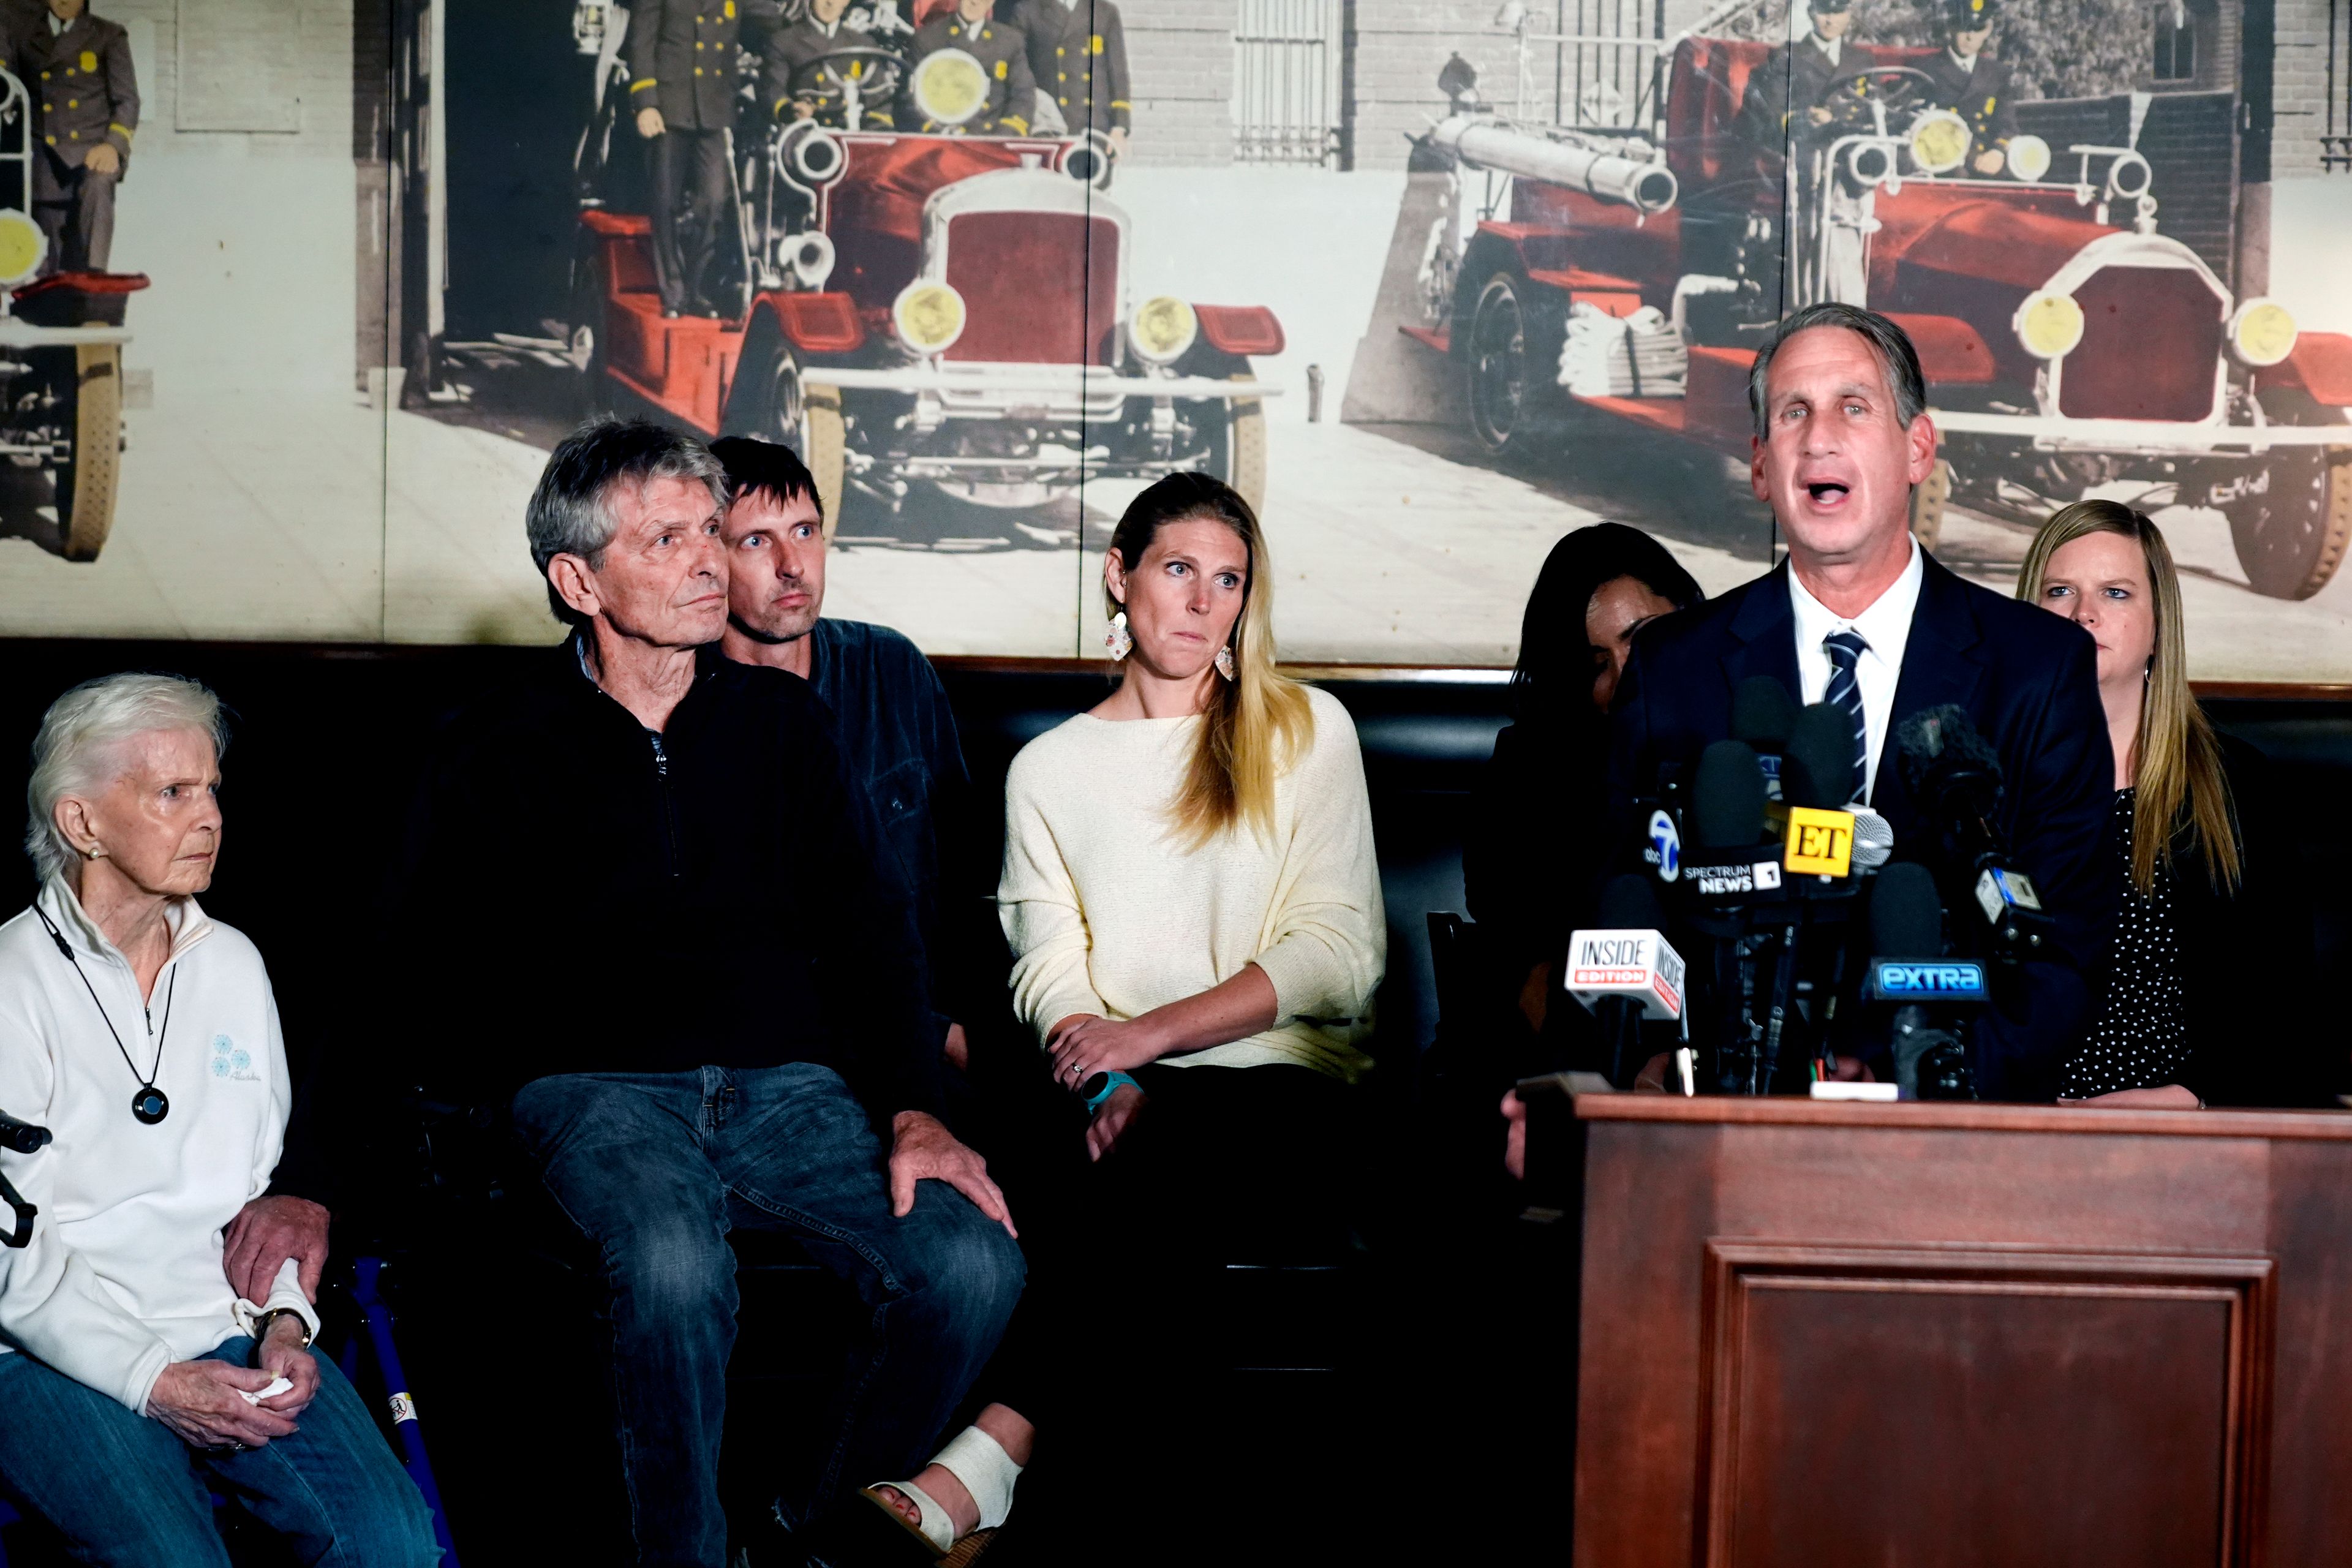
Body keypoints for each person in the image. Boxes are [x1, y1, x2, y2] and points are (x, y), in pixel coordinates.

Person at [396, 420, 1025, 1567]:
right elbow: (411, 969)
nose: (709, 563)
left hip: (792, 1090)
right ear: (577, 579)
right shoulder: (492, 746)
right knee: (677, 1266)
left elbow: (874, 938)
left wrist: (917, 1107)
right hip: (595, 1093)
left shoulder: (787, 725)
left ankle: (807, 1541)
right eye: (670, 537)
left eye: (707, 534)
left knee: (971, 1260)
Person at [835, 472, 1386, 1561]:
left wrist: (1149, 1044)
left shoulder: (1305, 730)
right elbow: (1050, 979)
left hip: (1287, 1089)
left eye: (1230, 581)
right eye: (1179, 570)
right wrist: (1113, 1076)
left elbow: (1339, 957)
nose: (1204, 603)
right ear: (1119, 577)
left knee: (1153, 1159)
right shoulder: (1049, 770)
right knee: (1127, 1177)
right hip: (1108, 1097)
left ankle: (991, 1455)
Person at [1605, 302, 2113, 1100]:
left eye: (1854, 407)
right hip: (1721, 1124)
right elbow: (1627, 905)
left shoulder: (2037, 669)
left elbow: (2066, 948)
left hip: (1947, 1138)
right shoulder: (1674, 668)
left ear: (1918, 449)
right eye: (1793, 413)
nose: (1818, 437)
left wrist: (1914, 1083)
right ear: (1761, 464)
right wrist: (1660, 1067)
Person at [0, 674, 437, 1567]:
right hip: (43, 1348)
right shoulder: (11, 983)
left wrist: (285, 1324)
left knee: (389, 1543)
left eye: (211, 790)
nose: (209, 817)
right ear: (82, 823)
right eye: (172, 793)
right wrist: (152, 1380)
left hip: (224, 1329)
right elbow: (10, 1253)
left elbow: (257, 1196)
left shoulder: (232, 965)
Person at [2018, 501, 2327, 1108]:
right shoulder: (1976, 785)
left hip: (2184, 1137)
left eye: (2115, 593)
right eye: (2060, 591)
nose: (2084, 614)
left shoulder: (2236, 787)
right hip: (2012, 1135)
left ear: (2159, 624)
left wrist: (2173, 1102)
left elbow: (2281, 1014)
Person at [711, 435, 983, 1074]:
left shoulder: (890, 666)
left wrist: (978, 1034)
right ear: (708, 559)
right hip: (785, 1056)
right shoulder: (687, 705)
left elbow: (967, 881)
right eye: (756, 541)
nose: (792, 564)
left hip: (930, 1047)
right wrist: (930, 1033)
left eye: (804, 530)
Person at [1465, 524, 1702, 1041]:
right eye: (1597, 666)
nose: (1627, 677)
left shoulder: (1744, 752)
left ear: (1687, 613)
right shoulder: (1530, 776)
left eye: (1643, 639)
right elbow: (1535, 982)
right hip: (1590, 1062)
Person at [625, 0, 743, 317]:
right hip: (668, 105)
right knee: (666, 202)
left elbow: (772, 20)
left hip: (714, 108)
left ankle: (697, 288)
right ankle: (674, 293)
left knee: (714, 201)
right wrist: (646, 101)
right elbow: (642, 40)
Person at [14, 0, 138, 274]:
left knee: (97, 190)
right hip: (44, 159)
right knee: (47, 264)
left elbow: (127, 101)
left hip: (91, 153)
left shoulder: (108, 35)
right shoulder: (24, 35)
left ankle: (95, 289)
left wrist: (113, 145)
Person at [1005, 0, 1130, 153]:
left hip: (1095, 128)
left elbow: (1118, 72)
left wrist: (1119, 128)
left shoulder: (1105, 11)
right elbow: (1016, 71)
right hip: (1048, 127)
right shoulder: (1027, 10)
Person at [1735, 0, 1854, 154]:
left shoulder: (1862, 59)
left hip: (1854, 144)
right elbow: (1772, 109)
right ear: (1811, 12)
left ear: (1848, 15)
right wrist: (1807, 117)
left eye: (1838, 13)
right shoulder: (1787, 55)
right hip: (1805, 145)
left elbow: (1877, 102)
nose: (1831, 21)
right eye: (1823, 13)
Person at [1917, 0, 2018, 176]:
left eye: (1977, 29)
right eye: (1964, 28)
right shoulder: (1925, 69)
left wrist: (1997, 152)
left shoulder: (1998, 73)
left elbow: (2007, 123)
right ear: (1951, 27)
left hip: (1986, 157)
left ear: (1987, 31)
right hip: (1942, 159)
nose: (1970, 37)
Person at [906, 0, 1033, 135]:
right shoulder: (928, 39)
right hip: (942, 139)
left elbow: (1022, 94)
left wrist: (1002, 135)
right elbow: (908, 98)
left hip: (992, 139)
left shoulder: (1009, 41)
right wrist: (936, 130)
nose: (975, 2)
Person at [764, 0, 899, 128]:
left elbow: (879, 100)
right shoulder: (784, 41)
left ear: (846, 2)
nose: (830, 2)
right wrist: (791, 110)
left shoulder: (864, 44)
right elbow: (774, 90)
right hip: (806, 133)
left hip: (855, 131)